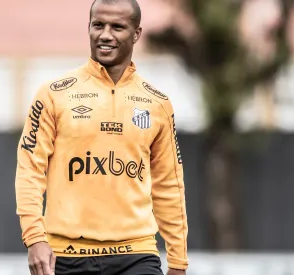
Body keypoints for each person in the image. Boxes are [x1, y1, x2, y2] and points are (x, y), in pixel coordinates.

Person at [15, 0, 189, 274]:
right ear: (89, 28)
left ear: (136, 34)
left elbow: (169, 186)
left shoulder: (157, 104)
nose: (105, 34)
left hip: (136, 254)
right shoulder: (53, 94)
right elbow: (30, 171)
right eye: (98, 25)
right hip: (66, 255)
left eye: (117, 26)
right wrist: (35, 237)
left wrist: (178, 262)